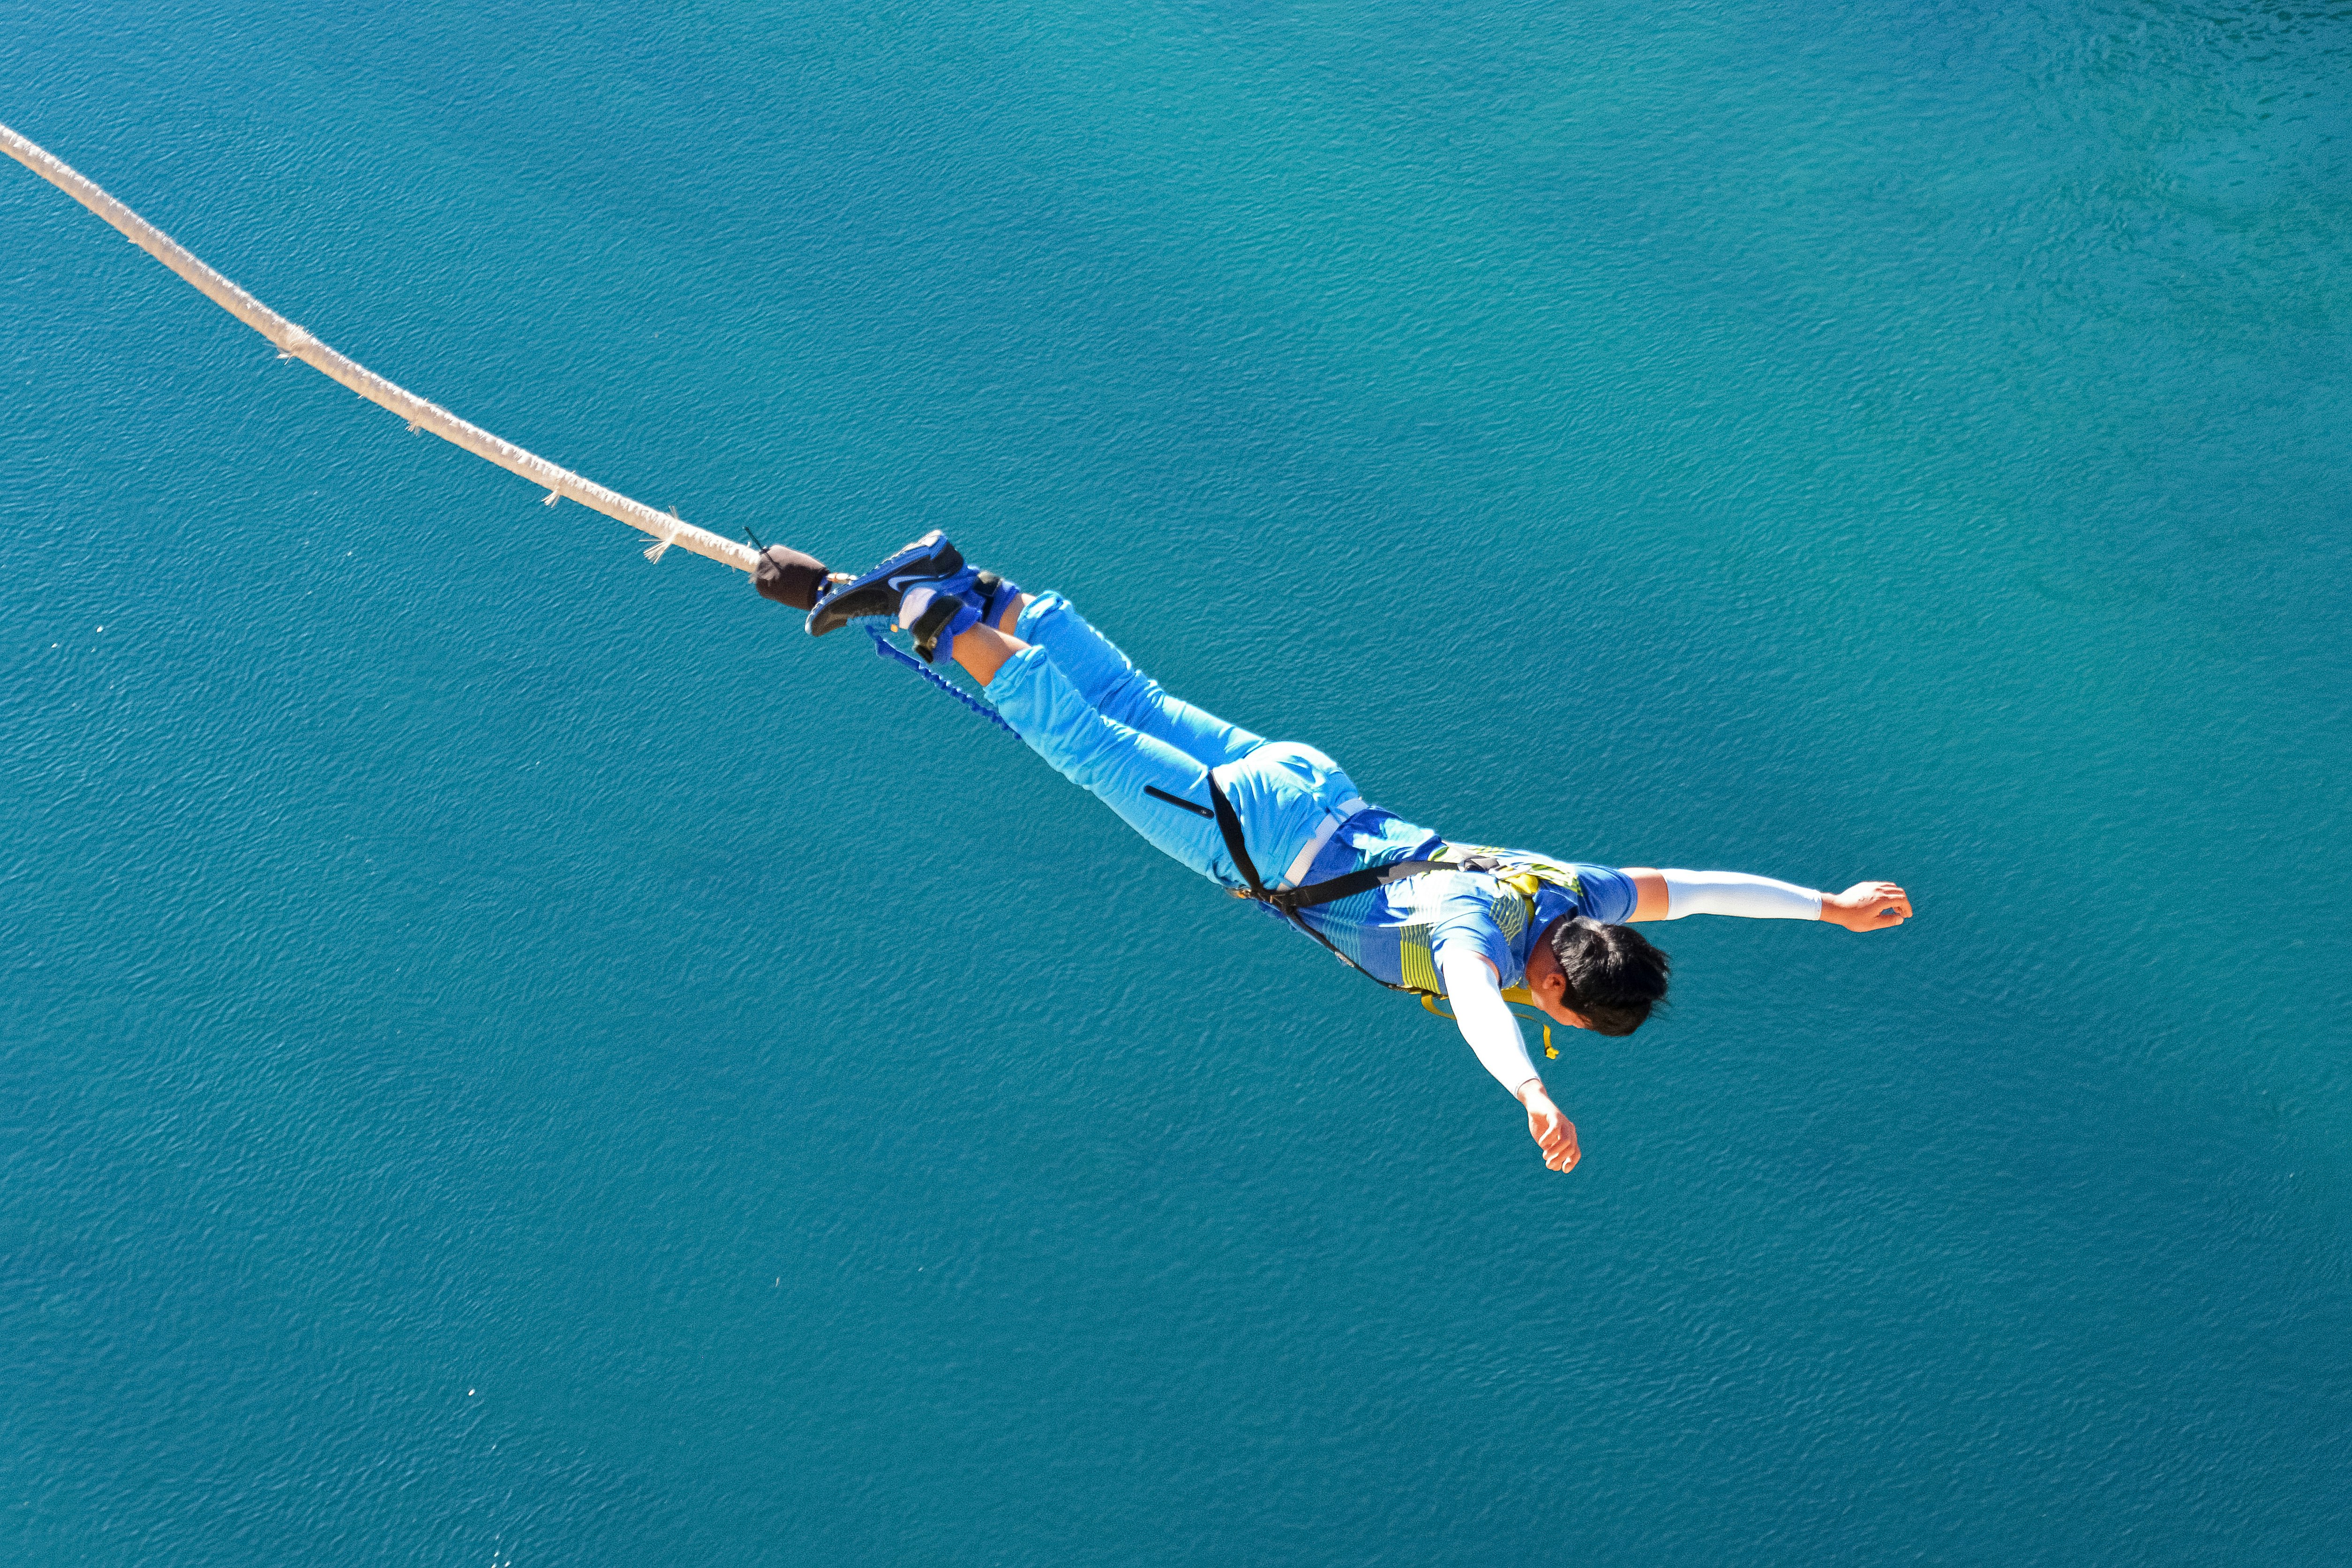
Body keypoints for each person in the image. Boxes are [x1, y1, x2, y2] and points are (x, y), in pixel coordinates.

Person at [756, 533, 1913, 1173]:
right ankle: (931, 608)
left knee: (1128, 694)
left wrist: (1828, 904)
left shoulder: (1570, 892)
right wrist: (1526, 1091)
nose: (1552, 1021)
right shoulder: (1482, 944)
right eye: (1567, 1018)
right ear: (1559, 985)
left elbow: (1695, 891)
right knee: (1084, 742)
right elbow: (1473, 1000)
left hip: (1317, 780)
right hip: (1258, 835)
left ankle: (971, 579)